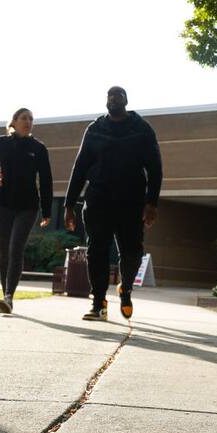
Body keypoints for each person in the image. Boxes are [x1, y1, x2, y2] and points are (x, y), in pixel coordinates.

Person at [64, 86, 162, 321]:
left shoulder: (142, 129)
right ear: (106, 101)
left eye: (118, 96)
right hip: (98, 198)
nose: (114, 99)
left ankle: (125, 288)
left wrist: (151, 203)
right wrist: (69, 204)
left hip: (131, 201)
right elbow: (80, 168)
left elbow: (155, 168)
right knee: (97, 250)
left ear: (126, 100)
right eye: (110, 95)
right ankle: (98, 303)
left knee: (132, 252)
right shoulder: (95, 130)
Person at [0, 108, 53, 313]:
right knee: (3, 251)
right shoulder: (2, 142)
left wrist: (47, 210)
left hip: (27, 207)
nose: (28, 121)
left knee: (16, 248)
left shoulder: (38, 148)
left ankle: (9, 296)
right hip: (2, 204)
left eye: (31, 118)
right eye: (24, 118)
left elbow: (46, 180)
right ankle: (6, 297)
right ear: (14, 122)